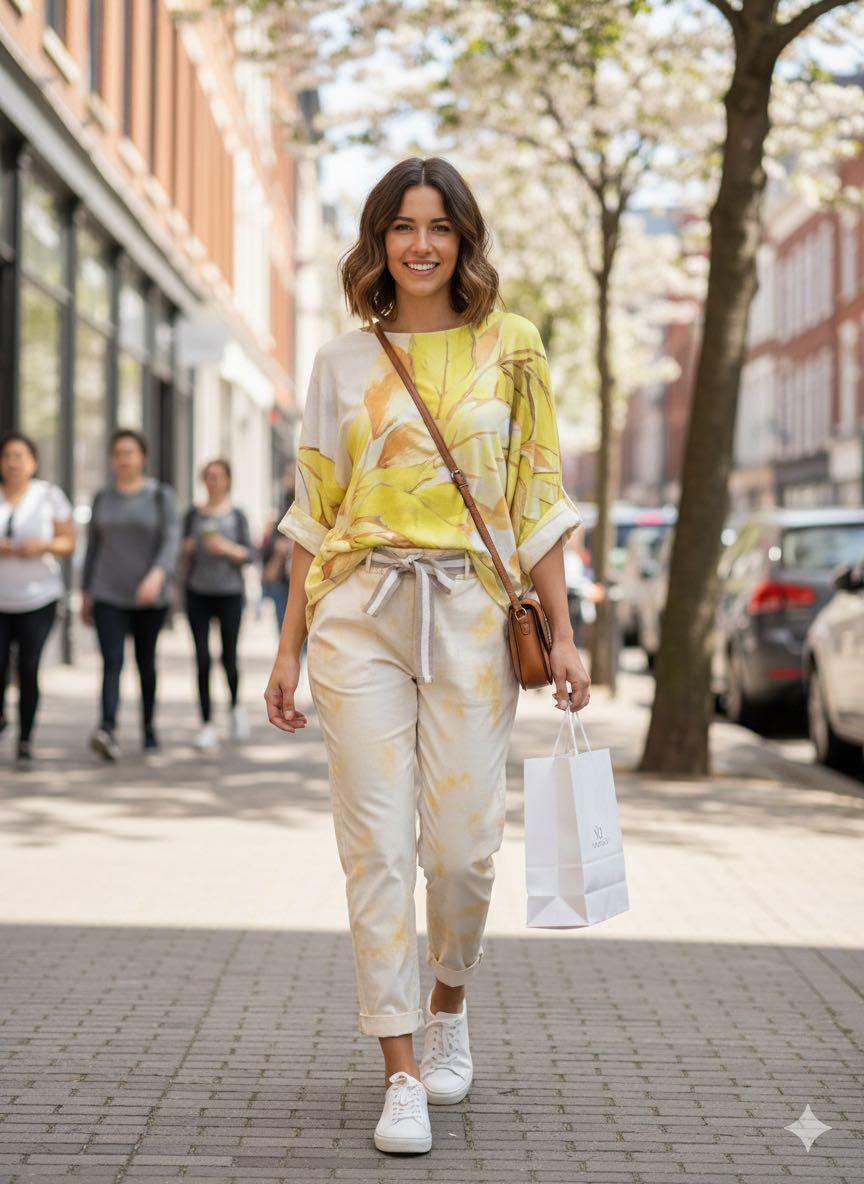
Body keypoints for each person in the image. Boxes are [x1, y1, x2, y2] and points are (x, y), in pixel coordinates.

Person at [263, 157, 591, 1155]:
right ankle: (400, 1069)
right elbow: (312, 515)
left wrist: (566, 631)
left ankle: (447, 1003)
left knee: (461, 851)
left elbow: (538, 497)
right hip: (358, 611)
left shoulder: (513, 349)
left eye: (438, 226)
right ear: (378, 239)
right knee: (377, 845)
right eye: (401, 226)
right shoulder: (341, 362)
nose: (419, 244)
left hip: (470, 618)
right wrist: (287, 649)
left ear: (464, 238)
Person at [82, 429, 180, 760]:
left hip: (148, 595)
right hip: (108, 592)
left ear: (142, 457)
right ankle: (107, 729)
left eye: (129, 453)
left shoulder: (160, 495)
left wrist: (156, 576)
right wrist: (86, 592)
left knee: (145, 662)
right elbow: (93, 548)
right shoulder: (103, 498)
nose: (123, 459)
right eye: (118, 454)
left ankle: (149, 728)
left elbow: (171, 540)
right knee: (112, 663)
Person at [0, 432, 75, 766]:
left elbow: (68, 542)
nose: (12, 463)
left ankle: (26, 737)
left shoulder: (48, 496)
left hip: (38, 599)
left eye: (19, 456)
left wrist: (41, 546)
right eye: (7, 457)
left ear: (32, 462)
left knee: (28, 668)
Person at [180, 458, 253, 750]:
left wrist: (225, 548)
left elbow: (250, 555)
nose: (213, 481)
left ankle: (236, 707)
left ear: (228, 480)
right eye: (209, 476)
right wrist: (186, 550)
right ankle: (207, 722)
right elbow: (182, 553)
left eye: (218, 476)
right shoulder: (192, 515)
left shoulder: (236, 515)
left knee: (228, 657)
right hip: (197, 591)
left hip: (229, 593)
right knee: (201, 658)